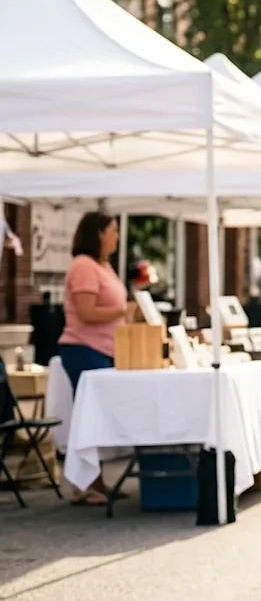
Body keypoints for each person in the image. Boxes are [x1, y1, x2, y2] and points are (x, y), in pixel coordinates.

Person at [58, 211, 136, 505]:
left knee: (99, 418)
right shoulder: (83, 267)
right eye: (113, 230)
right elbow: (87, 312)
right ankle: (83, 484)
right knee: (90, 416)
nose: (117, 236)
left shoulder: (105, 267)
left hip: (105, 349)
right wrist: (122, 311)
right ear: (99, 233)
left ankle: (96, 480)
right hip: (84, 349)